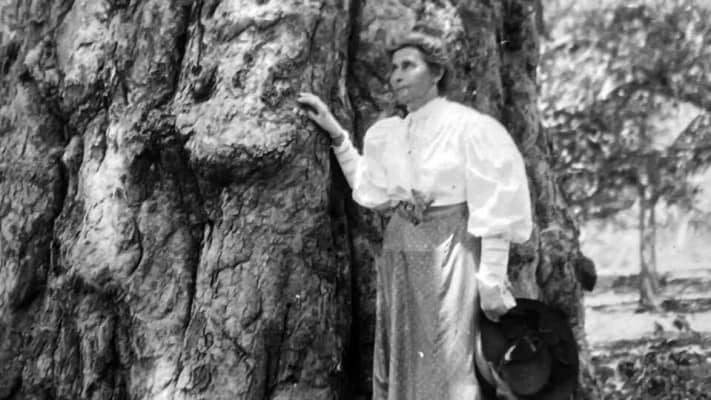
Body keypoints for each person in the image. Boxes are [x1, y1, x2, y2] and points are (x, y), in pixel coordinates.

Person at [297, 28, 532, 400]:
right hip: (402, 252)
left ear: (436, 73)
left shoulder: (468, 127)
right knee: (405, 356)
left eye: (408, 66)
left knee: (453, 359)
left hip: (453, 251)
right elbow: (370, 188)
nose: (396, 76)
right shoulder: (387, 134)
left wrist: (491, 280)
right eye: (393, 68)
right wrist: (337, 135)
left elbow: (495, 206)